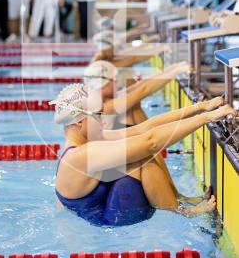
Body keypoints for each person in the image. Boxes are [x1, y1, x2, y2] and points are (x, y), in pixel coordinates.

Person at [51, 83, 237, 226]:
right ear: (80, 122)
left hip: (109, 205)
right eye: (98, 115)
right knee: (143, 156)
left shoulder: (84, 145)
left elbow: (145, 128)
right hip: (110, 218)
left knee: (139, 149)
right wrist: (207, 118)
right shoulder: (81, 156)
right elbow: (151, 141)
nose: (104, 120)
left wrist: (201, 107)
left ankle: (178, 197)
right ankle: (182, 212)